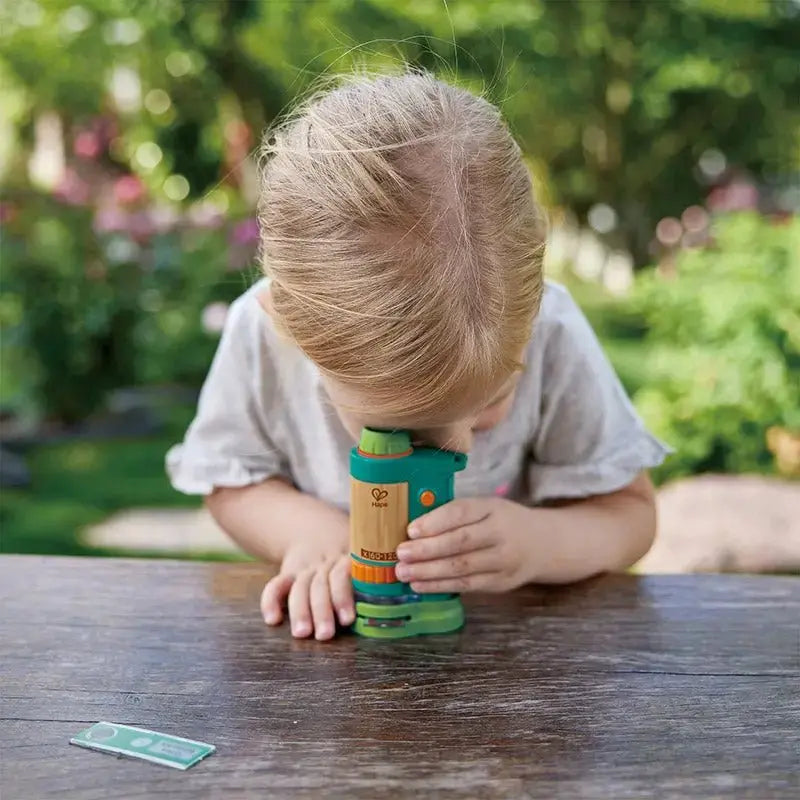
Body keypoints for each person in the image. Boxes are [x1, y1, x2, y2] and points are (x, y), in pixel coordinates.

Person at [166, 72, 668, 641]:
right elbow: (230, 481)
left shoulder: (551, 330)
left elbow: (631, 515)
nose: (463, 445)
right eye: (395, 431)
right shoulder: (262, 334)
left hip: (514, 670)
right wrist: (309, 534)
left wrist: (539, 545)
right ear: (296, 331)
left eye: (492, 400)